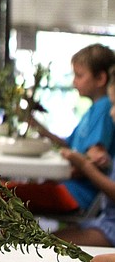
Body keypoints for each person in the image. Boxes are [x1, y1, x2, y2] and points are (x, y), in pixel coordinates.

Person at [12, 43, 115, 213]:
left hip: (76, 194)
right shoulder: (93, 109)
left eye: (79, 76)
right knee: (5, 189)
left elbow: (95, 158)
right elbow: (69, 145)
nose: (74, 82)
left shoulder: (104, 109)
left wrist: (65, 171)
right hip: (68, 187)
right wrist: (38, 126)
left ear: (100, 79)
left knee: (1, 191)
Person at [52, 64, 115, 247]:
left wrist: (84, 165)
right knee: (40, 241)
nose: (111, 112)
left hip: (110, 229)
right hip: (103, 222)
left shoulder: (100, 110)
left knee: (43, 244)